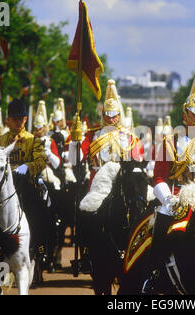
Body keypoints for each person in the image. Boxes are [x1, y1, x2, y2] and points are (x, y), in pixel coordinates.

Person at [142, 70, 195, 294]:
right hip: (177, 196)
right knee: (161, 223)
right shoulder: (171, 141)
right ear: (185, 113)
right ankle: (155, 274)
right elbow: (159, 176)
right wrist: (167, 198)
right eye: (193, 112)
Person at [68, 79, 145, 273]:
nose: (111, 118)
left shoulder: (129, 136)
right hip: (98, 184)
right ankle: (88, 252)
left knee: (140, 208)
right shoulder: (93, 135)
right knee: (87, 213)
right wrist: (76, 139)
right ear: (103, 114)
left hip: (123, 182)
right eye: (107, 115)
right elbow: (75, 159)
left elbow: (139, 157)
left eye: (114, 115)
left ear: (119, 115)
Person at [0, 98, 48, 256]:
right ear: (8, 120)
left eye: (21, 119)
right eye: (14, 119)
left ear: (26, 119)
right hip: (2, 185)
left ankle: (39, 247)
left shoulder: (34, 140)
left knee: (39, 211)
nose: (18, 122)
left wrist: (27, 167)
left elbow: (42, 160)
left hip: (25, 185)